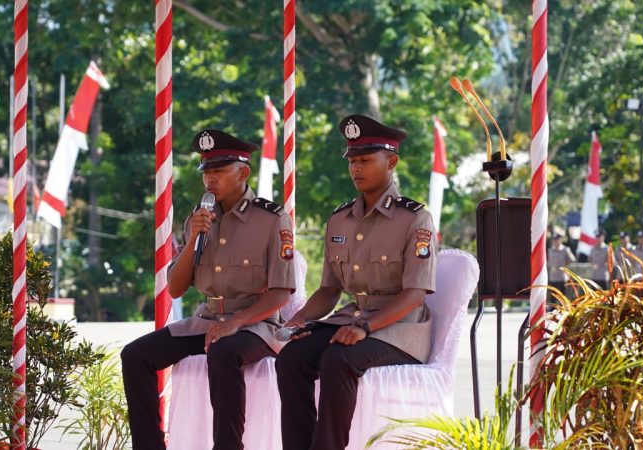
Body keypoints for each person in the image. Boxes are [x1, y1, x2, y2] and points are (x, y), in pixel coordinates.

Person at [121, 129, 296, 450]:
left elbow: (281, 293)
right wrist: (193, 240)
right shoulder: (198, 219)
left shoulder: (272, 220)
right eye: (206, 172)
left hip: (256, 325)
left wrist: (236, 322)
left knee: (224, 351)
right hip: (208, 320)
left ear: (243, 173)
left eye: (219, 171)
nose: (210, 180)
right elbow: (175, 288)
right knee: (135, 355)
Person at [276, 114, 436, 450]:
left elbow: (415, 294)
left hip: (400, 329)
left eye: (365, 160)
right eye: (352, 161)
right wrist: (299, 320)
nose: (356, 169)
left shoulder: (414, 217)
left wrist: (366, 326)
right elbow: (329, 290)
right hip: (354, 321)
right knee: (291, 357)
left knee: (338, 359)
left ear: (391, 161)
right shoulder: (340, 219)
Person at [547, 233, 575, 301]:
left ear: (560, 240)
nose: (555, 241)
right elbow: (548, 262)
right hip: (553, 277)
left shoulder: (565, 249)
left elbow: (572, 259)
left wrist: (565, 265)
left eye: (557, 240)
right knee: (553, 298)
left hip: (562, 278)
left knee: (564, 298)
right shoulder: (550, 250)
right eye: (554, 240)